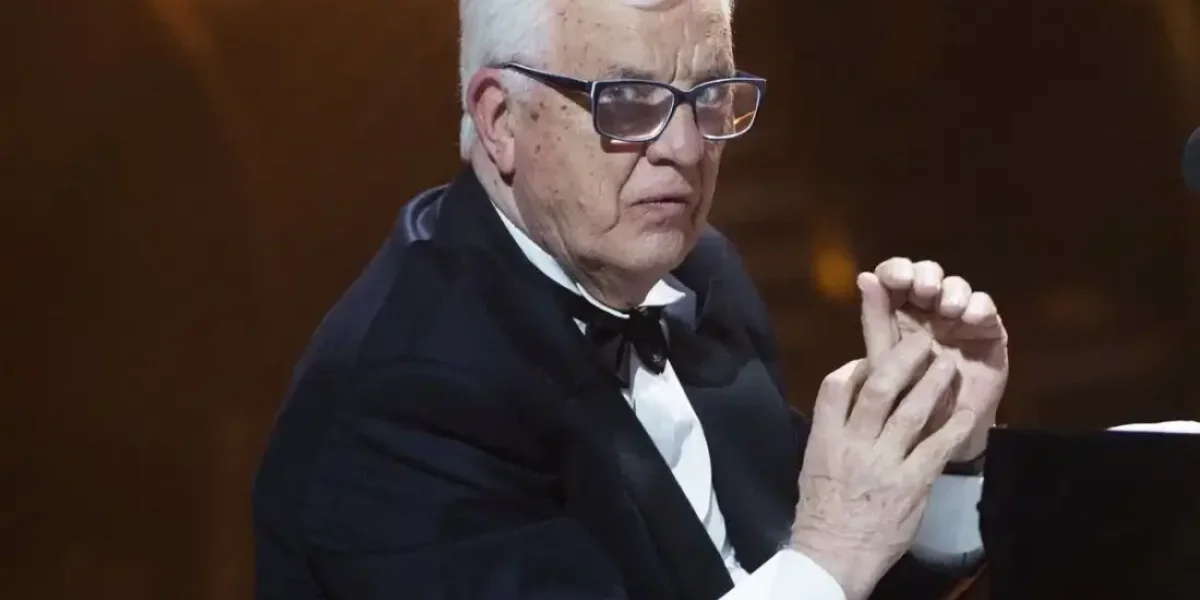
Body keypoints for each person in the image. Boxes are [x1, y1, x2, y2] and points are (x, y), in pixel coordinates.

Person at [251, 0, 1008, 598]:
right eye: (628, 100)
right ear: (500, 120)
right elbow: (819, 573)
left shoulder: (701, 273)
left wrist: (940, 446)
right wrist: (832, 547)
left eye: (708, 95)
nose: (686, 148)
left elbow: (824, 586)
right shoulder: (398, 394)